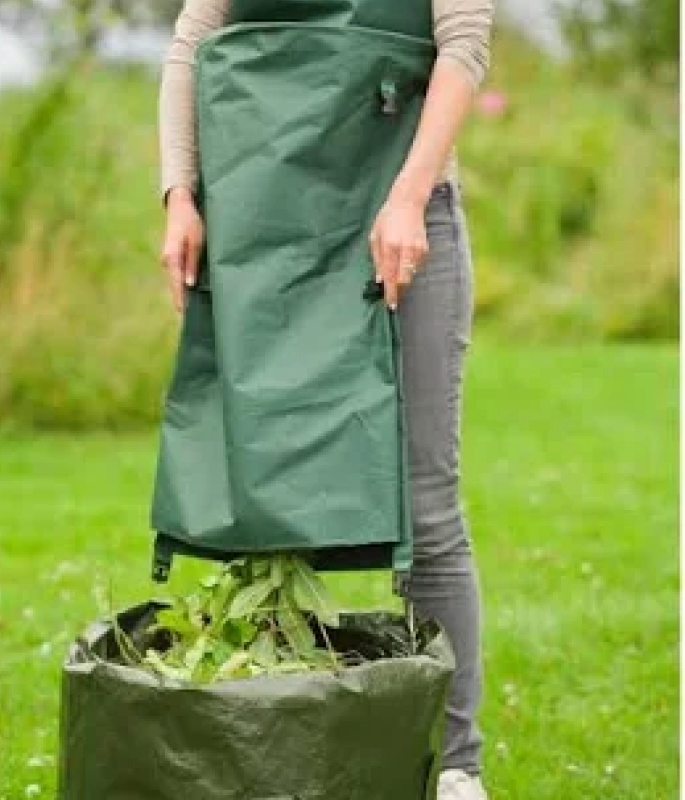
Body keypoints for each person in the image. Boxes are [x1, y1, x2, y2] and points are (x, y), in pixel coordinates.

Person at [157, 1, 495, 798]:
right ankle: (281, 744)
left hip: (406, 220)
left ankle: (454, 766)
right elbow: (193, 40)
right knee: (273, 490)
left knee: (427, 505)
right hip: (270, 225)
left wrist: (409, 195)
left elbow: (465, 45)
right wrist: (179, 193)